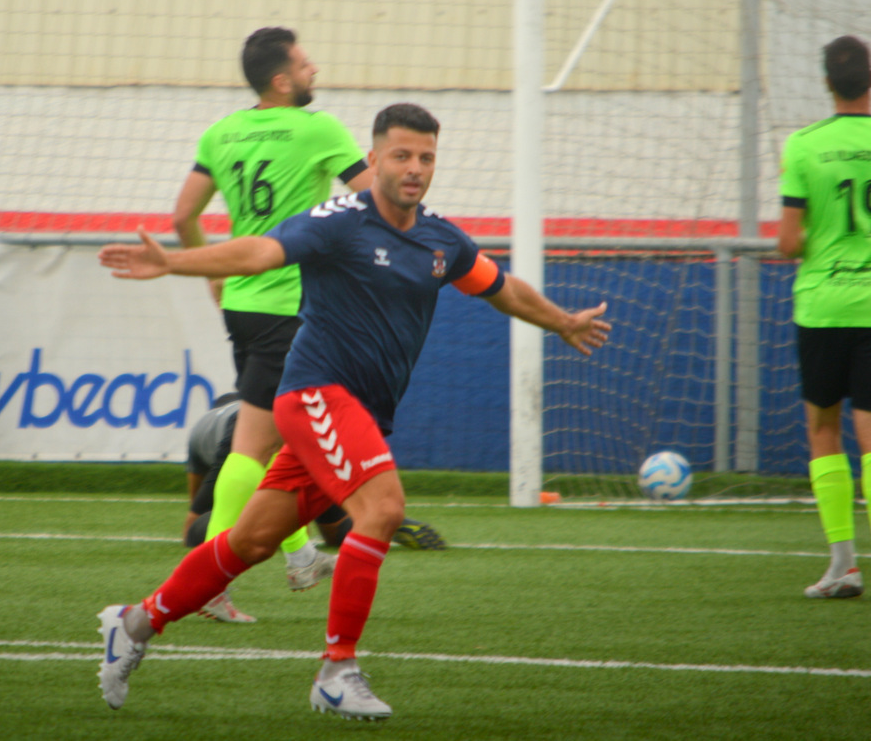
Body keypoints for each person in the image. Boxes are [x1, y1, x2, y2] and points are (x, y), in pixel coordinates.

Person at [96, 103, 610, 720]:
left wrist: (562, 322)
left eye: (425, 157)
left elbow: (501, 287)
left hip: (356, 412)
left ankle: (132, 625)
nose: (414, 168)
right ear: (373, 160)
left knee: (252, 541)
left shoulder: (441, 239)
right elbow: (260, 252)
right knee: (384, 507)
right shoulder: (340, 221)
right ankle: (337, 670)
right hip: (315, 394)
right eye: (401, 155)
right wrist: (175, 261)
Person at [172, 27, 374, 592]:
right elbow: (375, 197)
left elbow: (183, 215)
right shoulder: (317, 129)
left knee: (283, 437)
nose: (315, 71)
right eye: (306, 64)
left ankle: (300, 554)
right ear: (282, 80)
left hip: (241, 300)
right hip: (291, 307)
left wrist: (212, 269)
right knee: (254, 444)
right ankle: (207, 578)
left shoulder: (221, 133)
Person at [184, 393, 448, 624]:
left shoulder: (206, 429)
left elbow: (193, 513)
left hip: (248, 438)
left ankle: (232, 570)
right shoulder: (253, 405)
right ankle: (358, 524)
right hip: (288, 431)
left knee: (199, 529)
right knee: (322, 519)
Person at [778, 34, 871, 599]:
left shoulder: (804, 145)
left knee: (824, 428)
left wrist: (828, 238)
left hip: (823, 306)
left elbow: (789, 242)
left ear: (825, 83)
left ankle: (844, 566)